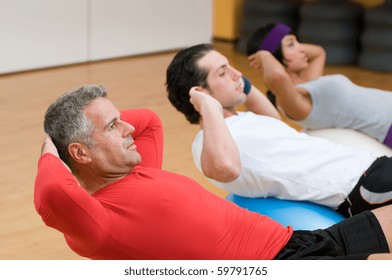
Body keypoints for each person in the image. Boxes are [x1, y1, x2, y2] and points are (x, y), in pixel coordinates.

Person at [34, 84, 392, 260]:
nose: (128, 129)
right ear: (80, 152)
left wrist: (96, 129)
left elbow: (149, 121)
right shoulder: (101, 224)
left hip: (298, 242)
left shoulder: (135, 171)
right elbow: (53, 191)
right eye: (114, 126)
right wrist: (51, 145)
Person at [165, 43, 392, 218]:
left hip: (375, 168)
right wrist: (207, 106)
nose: (237, 75)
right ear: (200, 93)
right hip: (362, 186)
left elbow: (272, 118)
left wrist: (232, 79)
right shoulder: (209, 143)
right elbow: (225, 169)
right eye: (223, 73)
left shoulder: (242, 120)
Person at [246, 22, 392, 148]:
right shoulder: (292, 101)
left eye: (298, 42)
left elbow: (318, 52)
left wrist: (284, 43)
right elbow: (277, 77)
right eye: (291, 44)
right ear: (274, 56)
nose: (301, 48)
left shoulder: (308, 80)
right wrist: (265, 54)